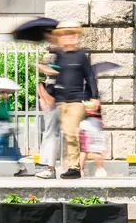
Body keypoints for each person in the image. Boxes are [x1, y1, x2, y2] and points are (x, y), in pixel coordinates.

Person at [39, 22, 97, 180]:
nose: (69, 37)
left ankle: (74, 167)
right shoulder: (60, 55)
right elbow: (59, 72)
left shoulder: (81, 56)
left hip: (77, 100)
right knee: (66, 133)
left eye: (72, 34)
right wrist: (43, 70)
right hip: (61, 100)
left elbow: (90, 76)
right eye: (65, 35)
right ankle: (71, 165)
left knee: (71, 131)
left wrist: (95, 97)